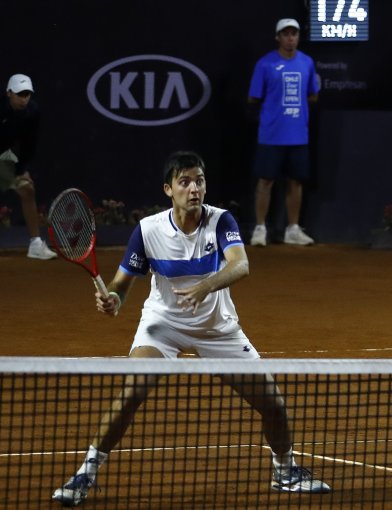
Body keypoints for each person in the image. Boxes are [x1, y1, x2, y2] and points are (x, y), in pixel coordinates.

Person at [51, 151, 330, 507]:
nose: (194, 188)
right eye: (184, 182)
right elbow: (121, 285)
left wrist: (205, 286)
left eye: (199, 180)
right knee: (132, 391)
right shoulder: (148, 230)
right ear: (169, 189)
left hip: (217, 328)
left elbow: (241, 265)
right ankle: (85, 474)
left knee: (273, 404)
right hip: (163, 324)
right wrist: (113, 302)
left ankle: (285, 471)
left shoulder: (221, 221)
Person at [247, 18, 320, 247]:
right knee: (265, 182)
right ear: (278, 37)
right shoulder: (265, 64)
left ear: (298, 37)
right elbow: (253, 97)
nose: (290, 38)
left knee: (295, 182)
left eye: (294, 34)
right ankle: (260, 229)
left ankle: (293, 229)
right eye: (286, 34)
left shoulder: (307, 62)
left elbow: (313, 95)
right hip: (271, 135)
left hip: (298, 134)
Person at [1, 73, 56, 260]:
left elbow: (28, 145)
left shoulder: (32, 112)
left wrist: (20, 171)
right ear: (9, 93)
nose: (24, 99)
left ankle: (35, 245)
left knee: (27, 189)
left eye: (27, 94)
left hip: (5, 154)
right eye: (19, 94)